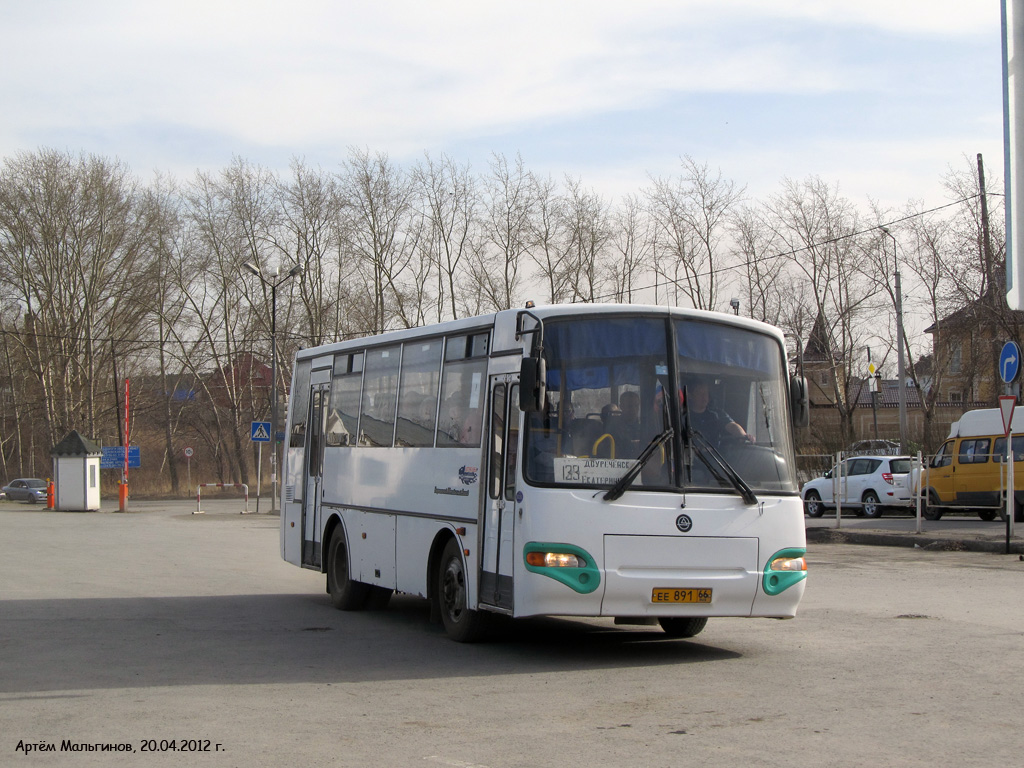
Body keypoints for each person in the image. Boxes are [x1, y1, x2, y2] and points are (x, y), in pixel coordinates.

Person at [686, 379, 752, 446]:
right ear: (690, 396)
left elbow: (732, 426)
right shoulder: (684, 417)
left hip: (715, 455)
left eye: (706, 393)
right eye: (699, 393)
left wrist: (743, 436)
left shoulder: (716, 414)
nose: (704, 397)